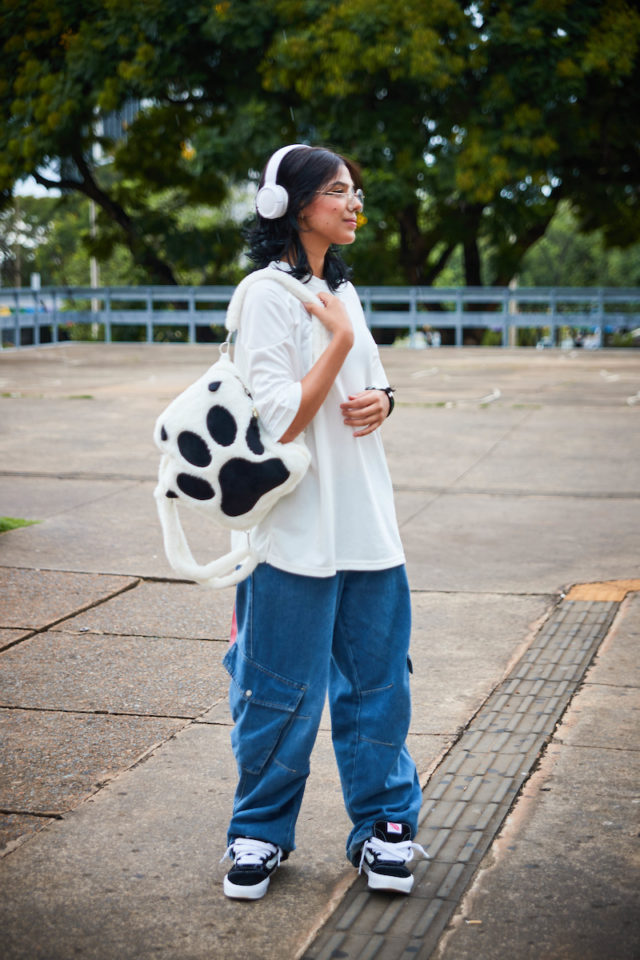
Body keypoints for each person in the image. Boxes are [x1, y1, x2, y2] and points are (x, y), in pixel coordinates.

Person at [221, 144, 425, 901]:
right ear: (291, 204)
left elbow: (366, 391)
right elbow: (280, 422)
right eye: (337, 191)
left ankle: (386, 827)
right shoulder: (264, 295)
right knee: (277, 690)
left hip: (368, 522)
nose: (353, 203)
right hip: (292, 529)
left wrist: (387, 398)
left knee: (379, 689)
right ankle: (258, 832)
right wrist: (336, 342)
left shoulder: (342, 289)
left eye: (356, 190)